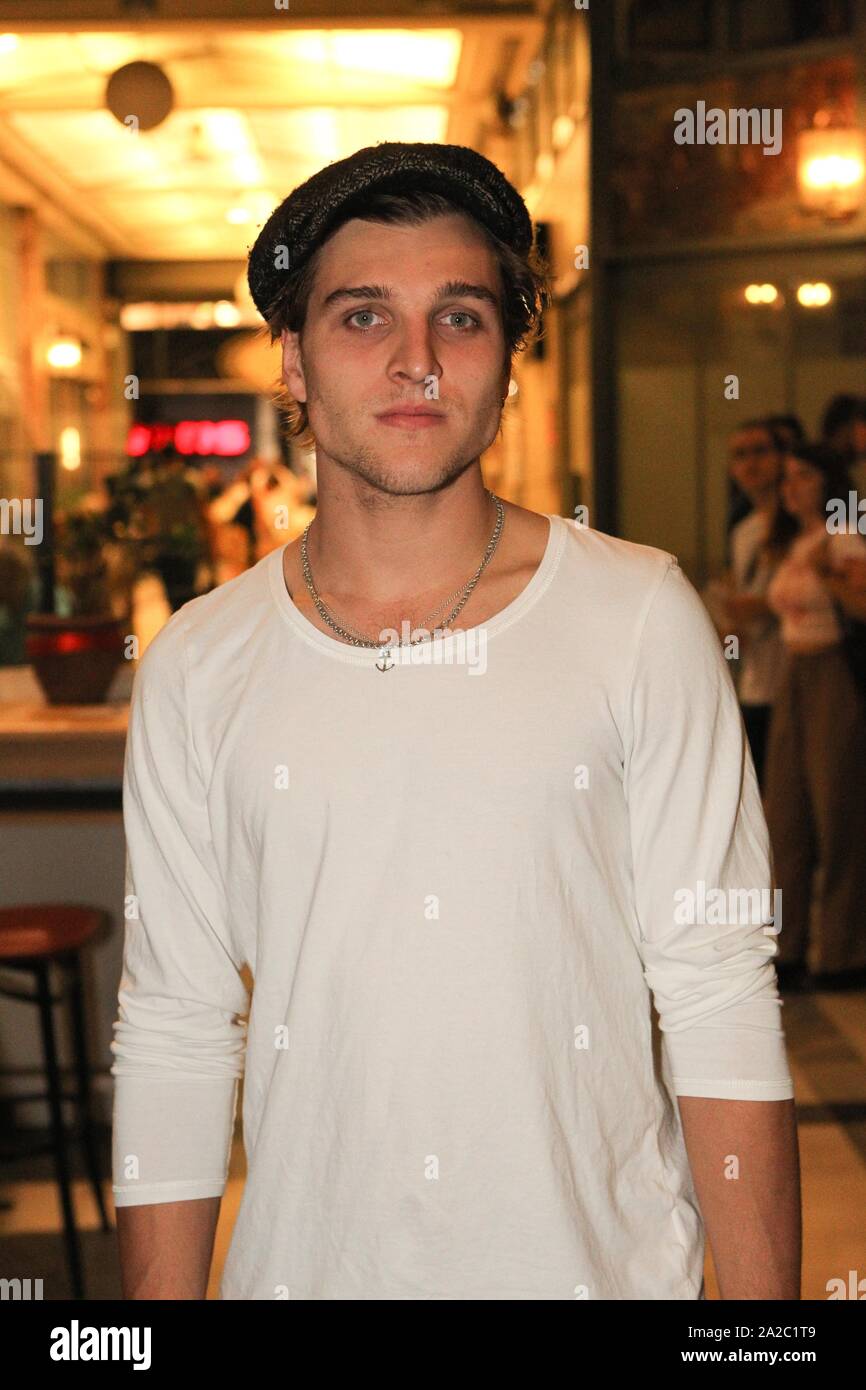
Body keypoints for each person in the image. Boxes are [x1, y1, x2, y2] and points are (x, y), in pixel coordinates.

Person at [110, 142, 799, 1301]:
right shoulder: (198, 663)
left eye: (461, 318)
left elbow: (718, 993)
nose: (415, 360)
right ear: (292, 360)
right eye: (363, 315)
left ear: (507, 359)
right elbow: (176, 1027)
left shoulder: (635, 615)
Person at [763, 441, 866, 990]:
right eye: (787, 479)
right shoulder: (794, 542)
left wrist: (830, 577)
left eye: (803, 476)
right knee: (787, 812)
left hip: (832, 673)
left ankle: (845, 949)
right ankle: (790, 942)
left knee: (837, 809)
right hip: (794, 672)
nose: (792, 488)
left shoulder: (842, 535)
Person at [723, 419, 791, 788]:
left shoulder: (802, 521)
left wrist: (763, 607)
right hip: (753, 674)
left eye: (760, 452)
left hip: (794, 671)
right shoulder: (743, 529)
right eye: (741, 455)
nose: (751, 463)